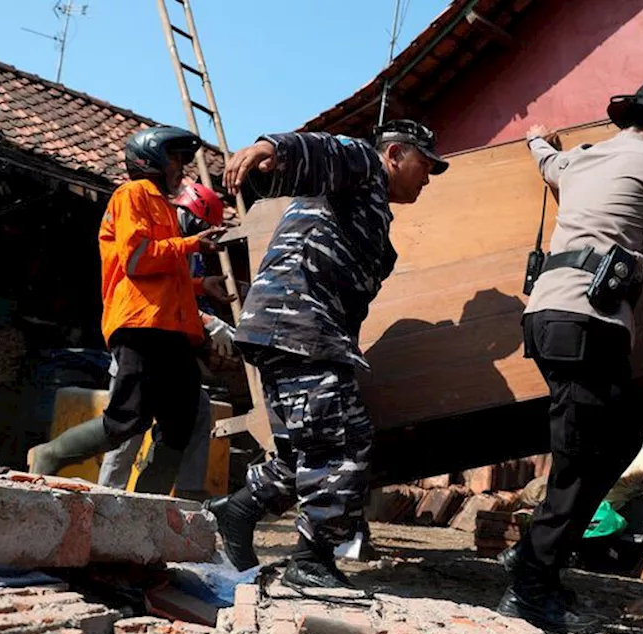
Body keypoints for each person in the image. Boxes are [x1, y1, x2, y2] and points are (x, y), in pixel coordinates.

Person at [208, 119, 448, 590]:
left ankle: (238, 511)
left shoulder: (370, 210)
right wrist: (271, 148)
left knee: (302, 446)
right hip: (298, 323)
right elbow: (328, 151)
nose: (428, 177)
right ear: (396, 153)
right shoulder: (364, 168)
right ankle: (311, 561)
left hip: (289, 328)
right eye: (425, 164)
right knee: (342, 441)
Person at [499, 81, 643, 633]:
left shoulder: (581, 161)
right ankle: (529, 584)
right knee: (584, 455)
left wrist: (538, 142)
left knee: (612, 443)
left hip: (545, 321)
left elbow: (547, 163)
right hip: (591, 324)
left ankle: (537, 562)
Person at [27, 127, 231, 476]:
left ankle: (148, 507)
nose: (181, 168)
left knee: (181, 422)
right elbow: (137, 261)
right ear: (151, 160)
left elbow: (162, 274)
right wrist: (192, 244)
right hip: (141, 326)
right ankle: (49, 455)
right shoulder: (132, 194)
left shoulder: (163, 207)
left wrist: (200, 285)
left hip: (171, 329)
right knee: (128, 419)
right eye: (175, 159)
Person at [97, 181, 237, 499]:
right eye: (199, 224)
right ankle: (105, 497)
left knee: (194, 414)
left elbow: (175, 287)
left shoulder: (188, 249)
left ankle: (158, 498)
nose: (201, 232)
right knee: (131, 422)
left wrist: (201, 286)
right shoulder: (157, 231)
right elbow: (150, 290)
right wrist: (208, 321)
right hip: (140, 333)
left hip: (168, 341)